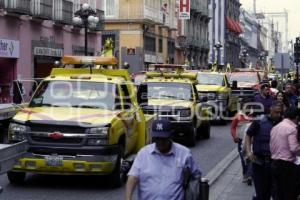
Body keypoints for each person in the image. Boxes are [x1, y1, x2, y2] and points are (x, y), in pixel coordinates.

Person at [125, 119, 201, 200]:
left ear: (171, 136)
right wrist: (128, 198)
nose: (160, 141)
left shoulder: (184, 154)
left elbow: (196, 176)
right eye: (157, 138)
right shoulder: (143, 154)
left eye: (164, 138)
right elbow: (133, 177)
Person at [245, 101, 283, 200]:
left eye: (280, 112)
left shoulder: (282, 123)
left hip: (275, 163)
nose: (278, 115)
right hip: (259, 163)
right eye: (276, 112)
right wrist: (249, 152)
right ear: (271, 110)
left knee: (276, 192)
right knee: (261, 193)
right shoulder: (259, 121)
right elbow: (248, 135)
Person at [270, 107, 300, 200]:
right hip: (287, 166)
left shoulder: (275, 127)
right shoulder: (292, 129)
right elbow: (294, 148)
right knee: (289, 194)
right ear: (297, 117)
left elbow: (271, 146)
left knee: (278, 193)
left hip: (274, 163)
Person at [230, 101, 253, 185]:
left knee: (250, 158)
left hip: (251, 141)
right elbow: (232, 127)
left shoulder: (253, 115)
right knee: (243, 158)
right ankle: (245, 174)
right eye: (245, 106)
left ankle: (249, 175)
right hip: (240, 141)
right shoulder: (238, 116)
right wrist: (234, 136)